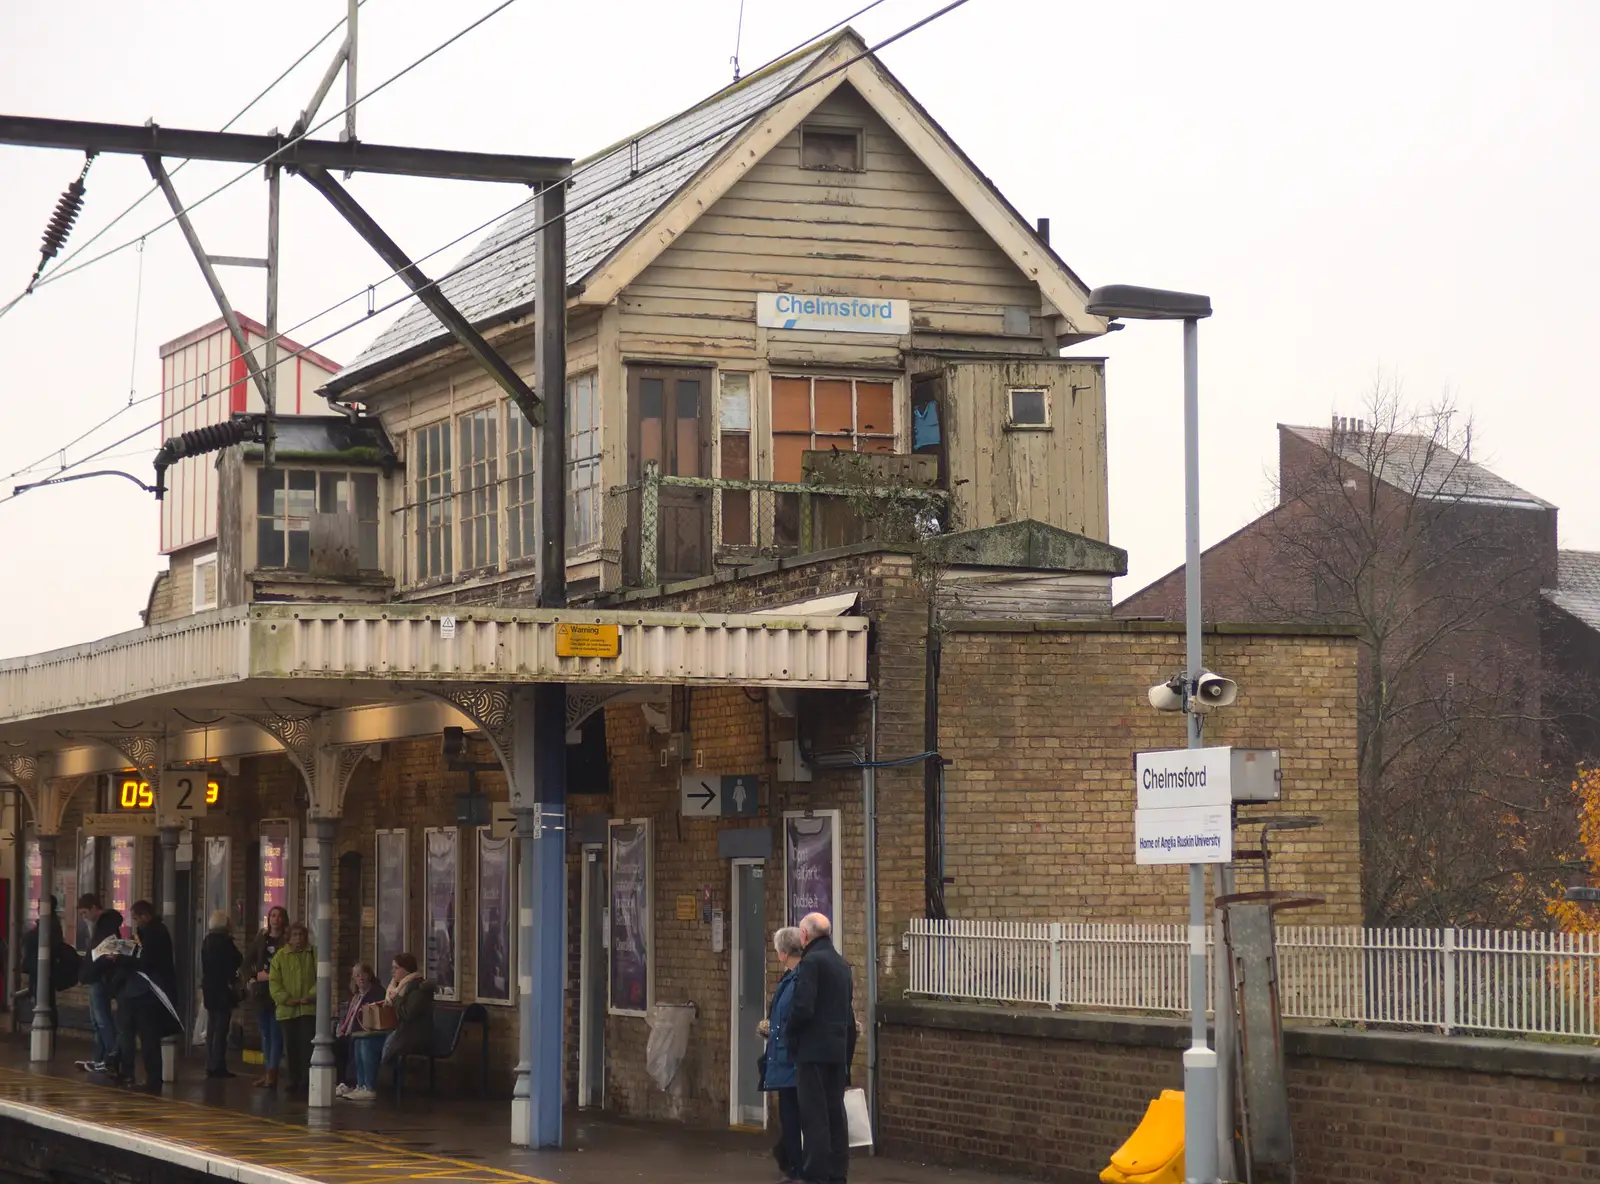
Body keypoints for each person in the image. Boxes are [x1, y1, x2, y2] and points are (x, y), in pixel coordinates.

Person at [787, 912, 857, 1184]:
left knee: (814, 1116)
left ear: (804, 935)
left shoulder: (811, 962)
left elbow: (803, 1007)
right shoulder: (841, 964)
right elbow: (847, 1011)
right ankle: (837, 1173)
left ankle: (815, 1174)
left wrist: (790, 1031)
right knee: (835, 1113)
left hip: (812, 1051)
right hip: (837, 1050)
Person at [112, 900, 181, 1092]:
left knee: (149, 1038)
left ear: (145, 915)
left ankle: (153, 1080)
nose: (135, 923)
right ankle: (134, 1074)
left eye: (136, 918)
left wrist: (122, 958)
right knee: (139, 1035)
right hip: (139, 992)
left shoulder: (156, 932)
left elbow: (146, 960)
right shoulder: (147, 932)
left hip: (149, 993)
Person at [760, 926, 806, 1181]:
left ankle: (796, 1168)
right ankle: (793, 1164)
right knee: (791, 1117)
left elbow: (791, 1017)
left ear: (783, 953)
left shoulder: (795, 980)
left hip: (790, 1060)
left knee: (793, 1117)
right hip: (786, 1059)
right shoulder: (791, 979)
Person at [74, 893, 124, 1074]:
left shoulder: (106, 927)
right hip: (96, 978)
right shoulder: (99, 926)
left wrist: (90, 971)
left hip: (101, 979)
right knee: (97, 1021)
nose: (83, 917)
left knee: (102, 1020)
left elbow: (106, 956)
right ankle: (99, 1059)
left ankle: (112, 1056)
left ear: (95, 908)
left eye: (85, 912)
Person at [269, 921, 318, 1095]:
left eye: (301, 935)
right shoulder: (280, 956)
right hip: (287, 1010)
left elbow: (323, 977)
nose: (298, 938)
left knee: (307, 1045)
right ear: (288, 938)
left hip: (307, 1009)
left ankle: (306, 1080)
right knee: (290, 1047)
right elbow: (274, 982)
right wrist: (286, 999)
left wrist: (311, 995)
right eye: (294, 935)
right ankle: (293, 1080)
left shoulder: (313, 953)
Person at [245, 906, 289, 1088]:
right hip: (262, 992)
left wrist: (272, 976)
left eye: (278, 916)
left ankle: (273, 1072)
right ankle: (267, 1071)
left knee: (275, 1033)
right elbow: (247, 961)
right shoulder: (261, 939)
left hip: (279, 991)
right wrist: (252, 978)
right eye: (272, 915)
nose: (275, 919)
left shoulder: (286, 940)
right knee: (265, 1034)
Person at [378, 952, 435, 1087]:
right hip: (404, 1031)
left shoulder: (418, 989)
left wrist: (396, 999)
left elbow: (407, 1014)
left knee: (372, 1044)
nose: (393, 971)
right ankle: (364, 1084)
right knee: (362, 1041)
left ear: (406, 969)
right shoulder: (400, 988)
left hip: (414, 1036)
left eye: (396, 968)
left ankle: (371, 1084)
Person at [200, 910, 243, 1078]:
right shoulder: (225, 942)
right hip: (223, 988)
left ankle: (210, 1063)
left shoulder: (207, 941)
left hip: (210, 987)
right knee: (221, 1028)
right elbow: (237, 959)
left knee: (212, 1027)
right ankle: (218, 1065)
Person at [334, 963, 384, 1098]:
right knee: (337, 1045)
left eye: (363, 974)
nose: (360, 977)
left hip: (366, 1032)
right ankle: (343, 1082)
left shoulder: (376, 993)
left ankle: (353, 1083)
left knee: (354, 1042)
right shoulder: (356, 996)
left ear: (369, 975)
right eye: (357, 975)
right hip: (353, 1031)